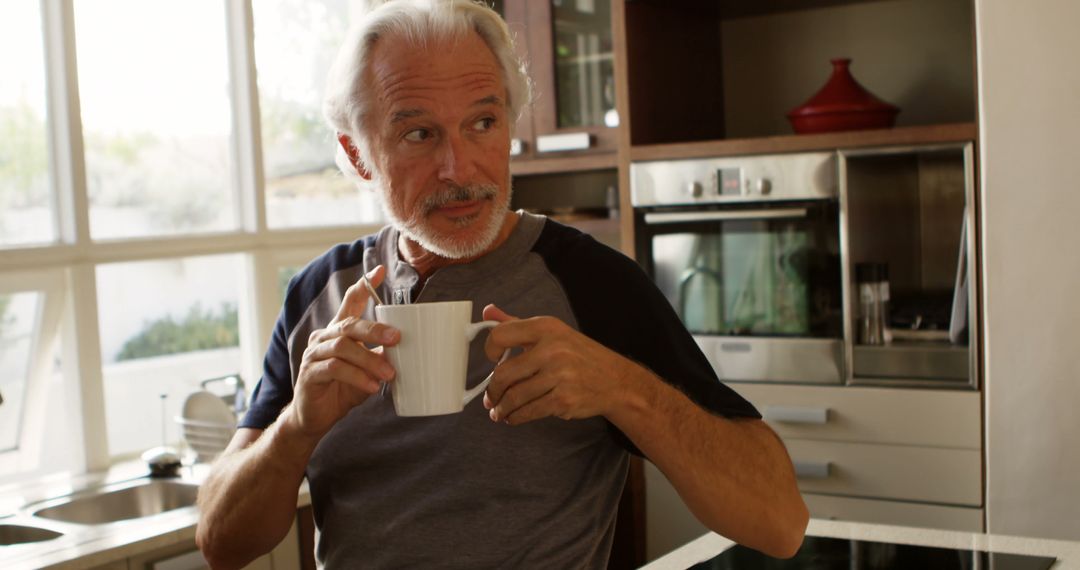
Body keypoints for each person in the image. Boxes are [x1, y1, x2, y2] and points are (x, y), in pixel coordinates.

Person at [195, 1, 808, 568]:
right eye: (419, 133)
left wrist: (624, 389)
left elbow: (780, 523)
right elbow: (221, 543)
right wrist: (297, 428)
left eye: (482, 122)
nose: (460, 169)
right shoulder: (318, 293)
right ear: (357, 154)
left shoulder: (593, 283)